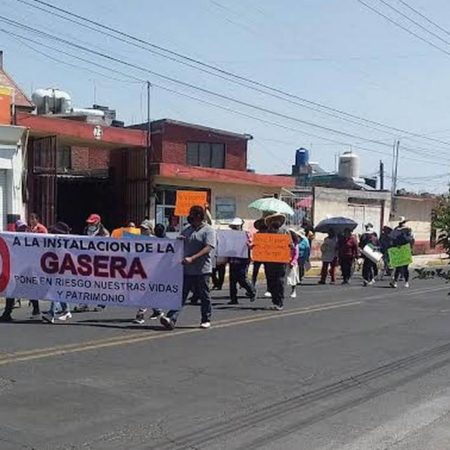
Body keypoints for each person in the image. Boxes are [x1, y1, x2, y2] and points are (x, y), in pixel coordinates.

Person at [161, 205, 216, 330]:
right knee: (181, 294)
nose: (190, 217)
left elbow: (209, 247)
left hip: (202, 269)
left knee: (204, 295)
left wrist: (193, 258)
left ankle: (206, 319)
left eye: (193, 214)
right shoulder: (187, 229)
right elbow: (180, 243)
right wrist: (179, 241)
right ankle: (171, 318)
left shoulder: (208, 230)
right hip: (187, 269)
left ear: (199, 216)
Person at [75, 213, 110, 312]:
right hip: (86, 261)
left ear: (98, 222)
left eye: (92, 223)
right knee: (85, 283)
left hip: (100, 261)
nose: (90, 225)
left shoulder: (104, 233)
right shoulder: (86, 230)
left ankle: (102, 303)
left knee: (100, 284)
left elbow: (106, 248)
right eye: (89, 223)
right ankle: (84, 303)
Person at [133, 223, 167, 324]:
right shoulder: (138, 240)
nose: (142, 230)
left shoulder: (156, 240)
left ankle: (141, 314)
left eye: (145, 229)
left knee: (145, 290)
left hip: (153, 269)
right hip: (141, 268)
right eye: (141, 228)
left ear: (150, 230)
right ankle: (157, 310)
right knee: (148, 290)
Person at [42, 222, 73, 324]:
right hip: (58, 271)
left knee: (55, 291)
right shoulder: (58, 245)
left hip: (60, 272)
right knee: (59, 291)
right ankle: (66, 310)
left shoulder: (60, 246)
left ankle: (52, 313)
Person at [0, 220, 28, 322]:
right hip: (15, 271)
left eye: (24, 228)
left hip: (26, 270)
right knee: (11, 291)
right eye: (21, 228)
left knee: (32, 288)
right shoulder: (11, 239)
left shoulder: (29, 240)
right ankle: (7, 312)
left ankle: (36, 310)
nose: (23, 230)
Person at [264, 213, 289, 310]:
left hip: (281, 261)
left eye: (277, 221)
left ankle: (280, 302)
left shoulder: (284, 232)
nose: (276, 223)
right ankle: (274, 301)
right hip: (269, 262)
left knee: (279, 281)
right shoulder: (267, 233)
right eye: (273, 221)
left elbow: (290, 244)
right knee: (271, 281)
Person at [227, 217, 256, 305]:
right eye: (233, 226)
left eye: (236, 226)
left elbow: (252, 244)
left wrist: (248, 244)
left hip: (243, 260)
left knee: (242, 278)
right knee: (232, 280)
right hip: (233, 259)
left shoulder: (246, 234)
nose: (235, 228)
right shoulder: (230, 235)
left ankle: (251, 291)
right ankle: (233, 299)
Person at [29, 213, 48, 318]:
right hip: (29, 260)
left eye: (33, 218)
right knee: (30, 284)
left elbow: (44, 243)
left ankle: (62, 308)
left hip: (39, 261)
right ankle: (36, 307)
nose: (31, 220)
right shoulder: (28, 229)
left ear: (37, 219)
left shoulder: (42, 229)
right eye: (30, 218)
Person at [390, 217, 415, 288]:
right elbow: (410, 239)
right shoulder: (399, 230)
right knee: (400, 267)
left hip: (402, 250)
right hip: (401, 250)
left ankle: (402, 282)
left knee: (403, 267)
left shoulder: (405, 230)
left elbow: (410, 239)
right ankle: (398, 282)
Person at [251, 218, 270, 297]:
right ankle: (252, 288)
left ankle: (269, 289)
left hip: (266, 256)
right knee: (255, 272)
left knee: (268, 273)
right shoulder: (257, 234)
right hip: (258, 255)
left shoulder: (269, 235)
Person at [287, 229, 300, 298]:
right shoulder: (285, 243)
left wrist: (293, 262)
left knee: (293, 277)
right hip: (285, 262)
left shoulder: (295, 244)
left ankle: (293, 290)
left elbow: (296, 255)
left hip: (292, 264)